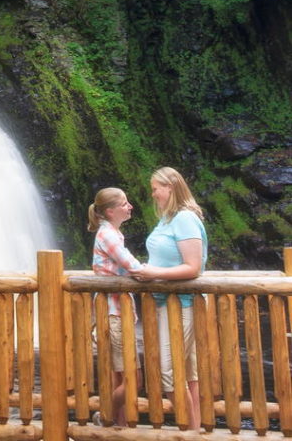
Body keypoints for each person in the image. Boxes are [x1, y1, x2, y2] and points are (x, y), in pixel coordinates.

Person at [130, 166, 207, 431]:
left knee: (169, 372)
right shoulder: (168, 219)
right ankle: (195, 431)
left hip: (182, 303)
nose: (153, 195)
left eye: (156, 189)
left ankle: (189, 431)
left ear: (170, 188)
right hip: (167, 302)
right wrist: (148, 269)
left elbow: (193, 266)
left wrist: (154, 273)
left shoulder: (185, 218)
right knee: (187, 373)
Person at [89, 187, 141, 426]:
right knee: (133, 380)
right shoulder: (108, 235)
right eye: (124, 204)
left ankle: (119, 426)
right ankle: (105, 415)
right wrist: (155, 272)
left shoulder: (111, 232)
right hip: (114, 314)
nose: (130, 206)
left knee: (123, 375)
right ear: (110, 211)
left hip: (117, 312)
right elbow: (131, 264)